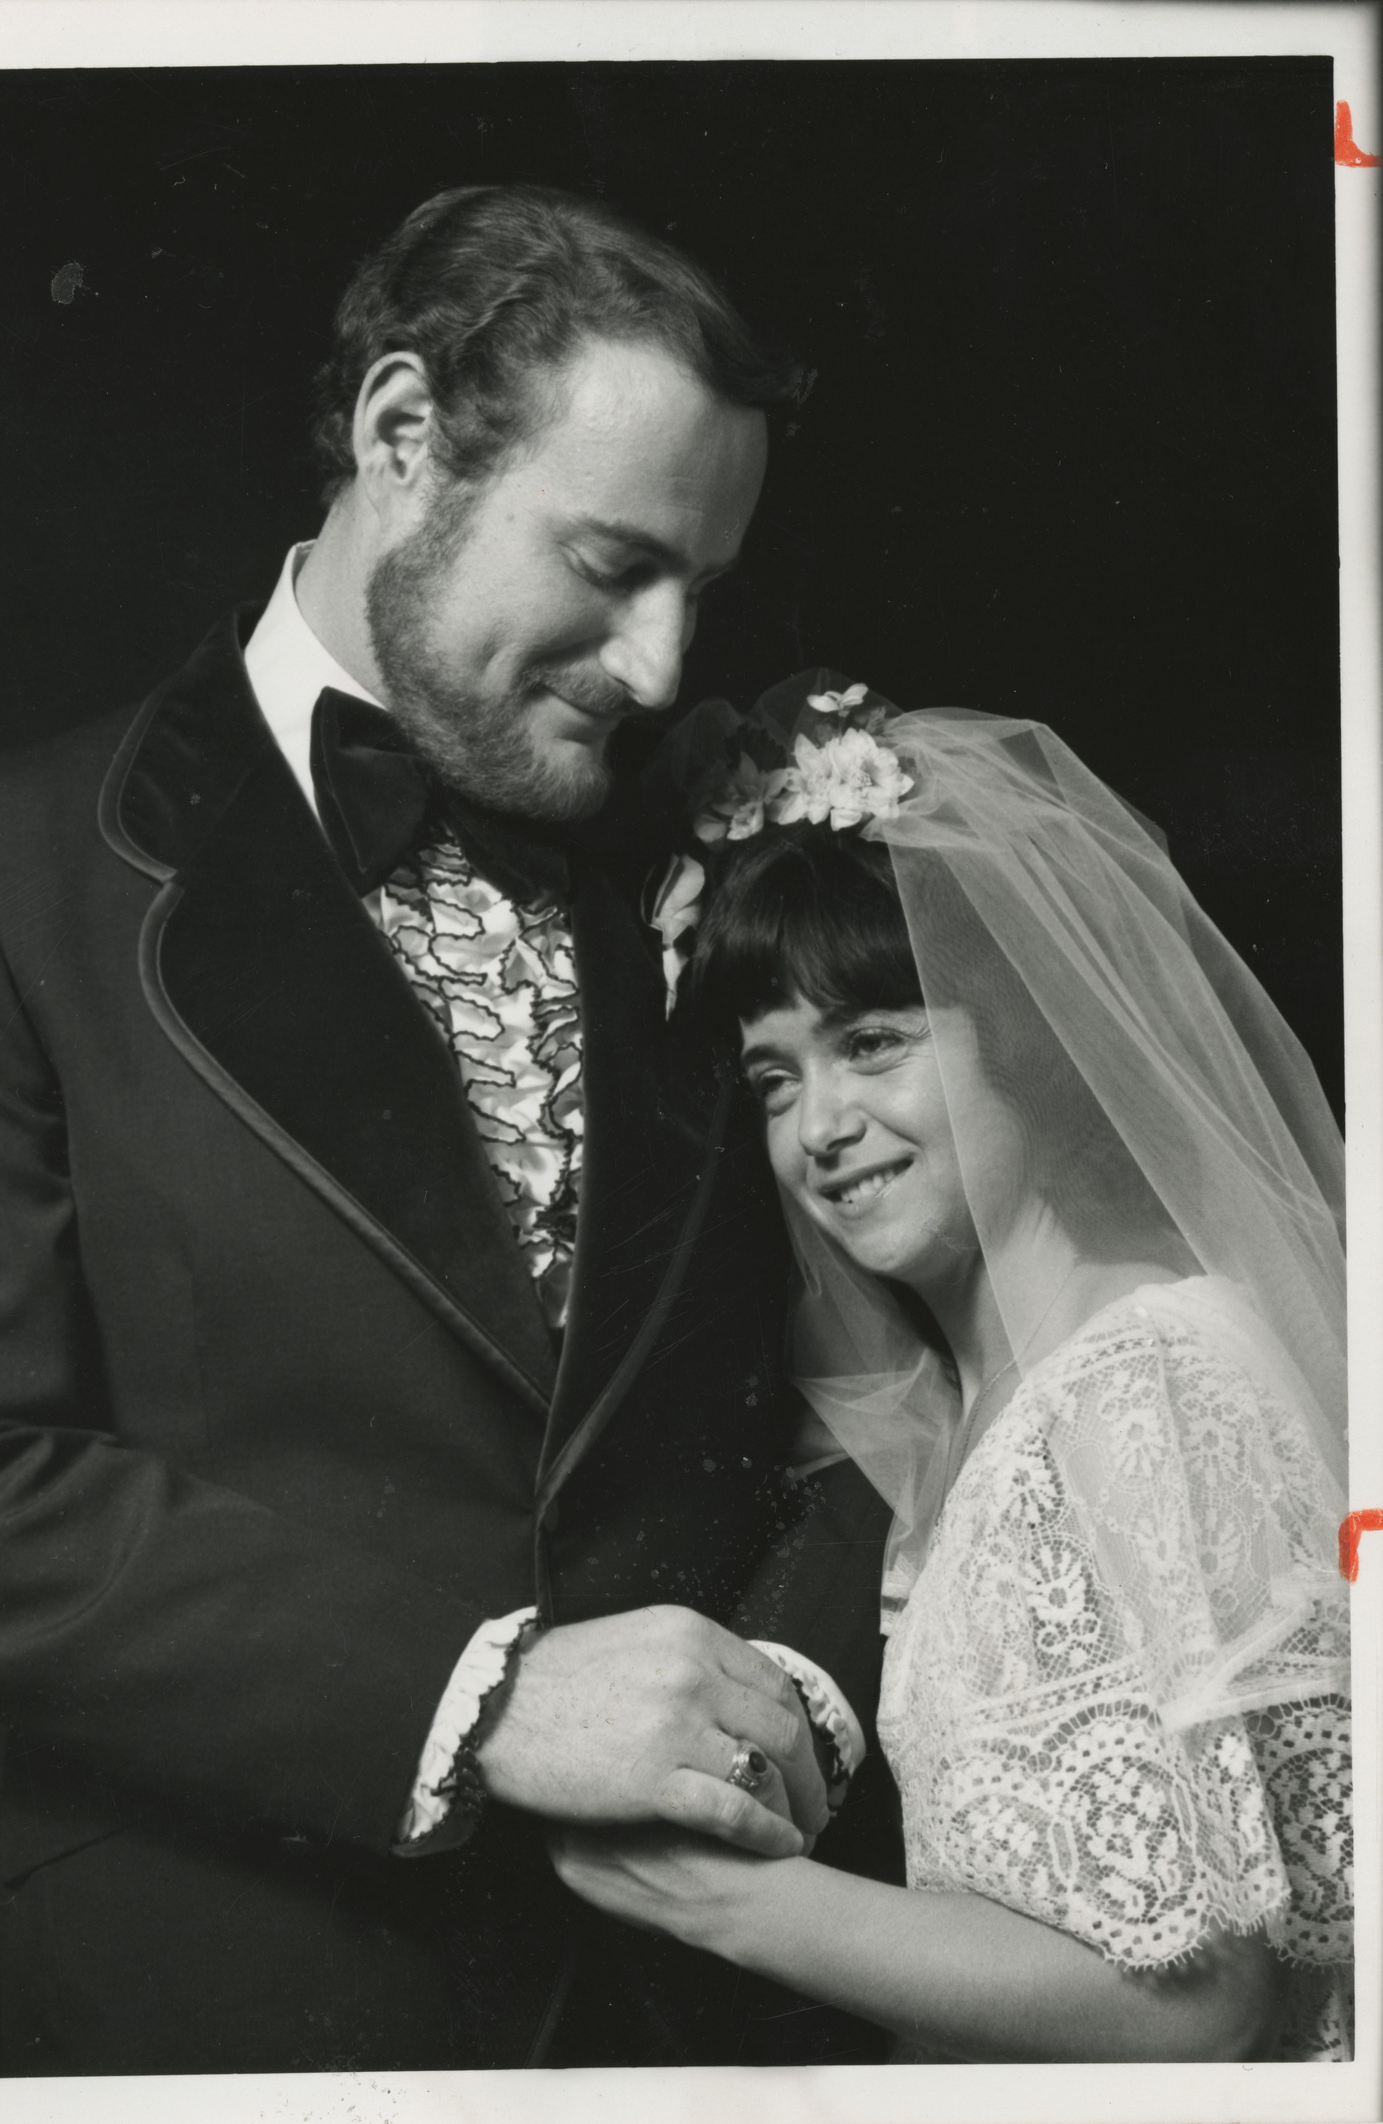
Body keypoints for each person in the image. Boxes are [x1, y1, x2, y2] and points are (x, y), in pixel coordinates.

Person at [0, 188, 896, 2075]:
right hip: (220, 2004)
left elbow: (892, 1362)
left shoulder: (706, 855)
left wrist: (789, 1690)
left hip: (713, 2011)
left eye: (696, 589)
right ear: (402, 437)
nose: (654, 664)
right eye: (614, 561)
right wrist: (476, 1704)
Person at [553, 676, 1353, 2062]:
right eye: (775, 1079)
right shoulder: (970, 1407)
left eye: (873, 1044)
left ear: (1025, 1044)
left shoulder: (1142, 1384)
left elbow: (1198, 1998)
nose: (823, 1128)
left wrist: (725, 1902)